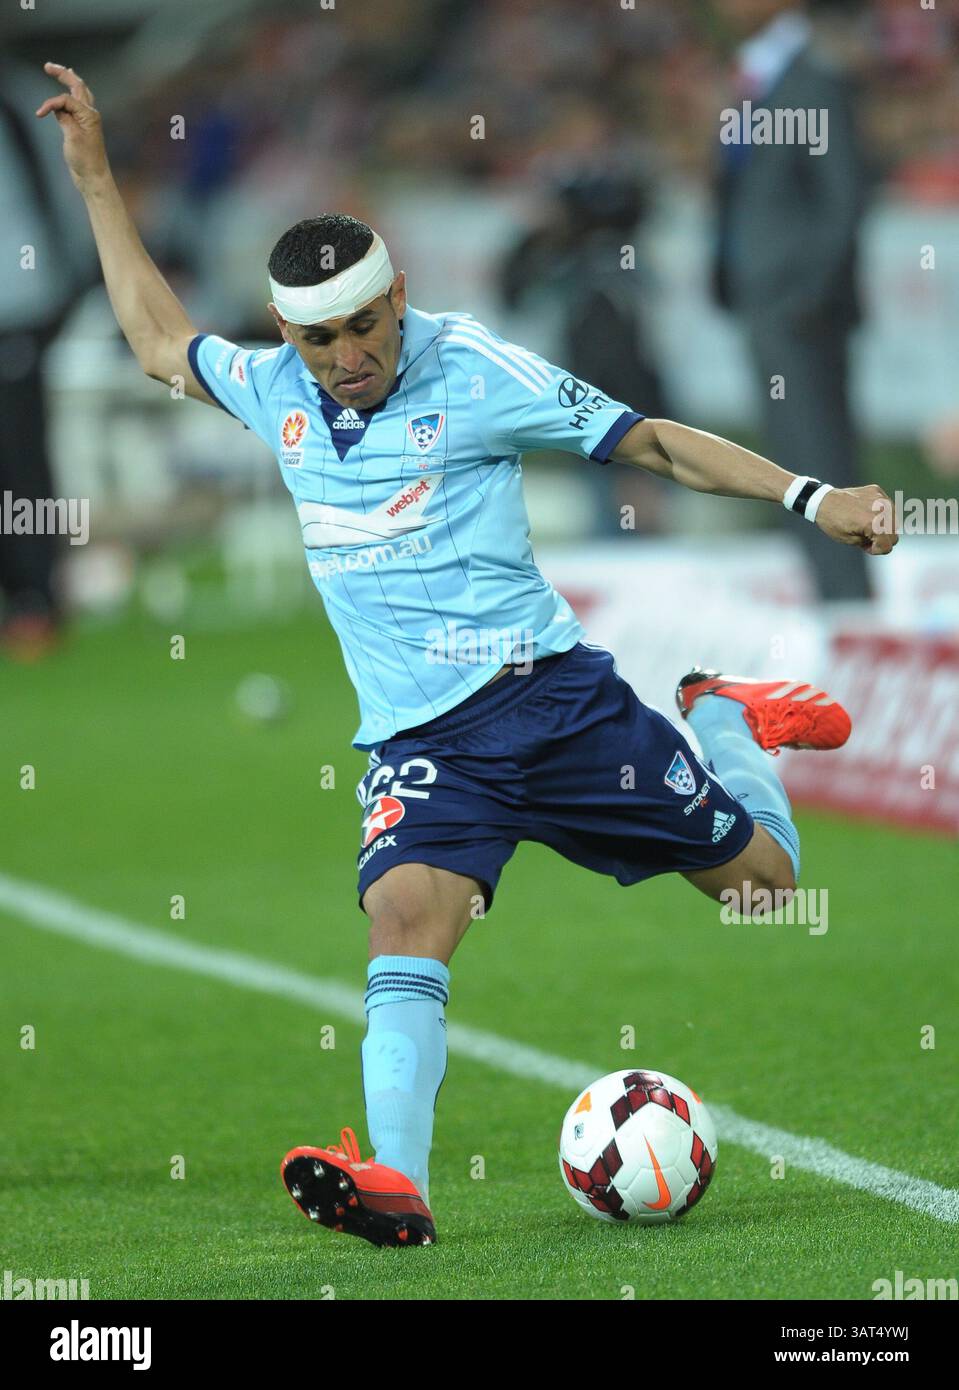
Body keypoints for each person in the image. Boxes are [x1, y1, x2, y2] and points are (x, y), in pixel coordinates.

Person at [39, 60, 897, 1248]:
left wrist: (810, 495)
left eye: (358, 327)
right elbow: (152, 338)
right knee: (404, 922)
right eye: (315, 335)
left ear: (396, 304)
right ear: (287, 333)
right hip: (424, 743)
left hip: (555, 706)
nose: (342, 354)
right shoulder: (272, 386)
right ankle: (398, 1184)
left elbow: (647, 442)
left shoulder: (476, 370)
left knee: (762, 896)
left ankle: (722, 718)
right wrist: (91, 173)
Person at [712, 0, 871, 599]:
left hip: (800, 308)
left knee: (819, 454)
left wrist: (806, 296)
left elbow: (844, 197)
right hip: (764, 299)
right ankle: (829, 594)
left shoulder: (815, 76)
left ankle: (849, 603)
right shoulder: (757, 72)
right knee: (792, 456)